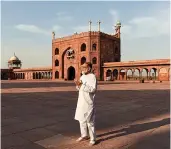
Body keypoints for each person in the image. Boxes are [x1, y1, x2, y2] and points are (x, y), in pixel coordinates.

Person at [74, 62, 97, 146]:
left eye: (85, 67)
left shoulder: (92, 77)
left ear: (89, 68)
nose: (83, 69)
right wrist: (77, 85)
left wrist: (81, 85)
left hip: (88, 102)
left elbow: (93, 89)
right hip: (81, 101)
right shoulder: (82, 76)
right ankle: (84, 135)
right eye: (82, 67)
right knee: (81, 120)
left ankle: (93, 139)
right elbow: (79, 88)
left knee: (89, 122)